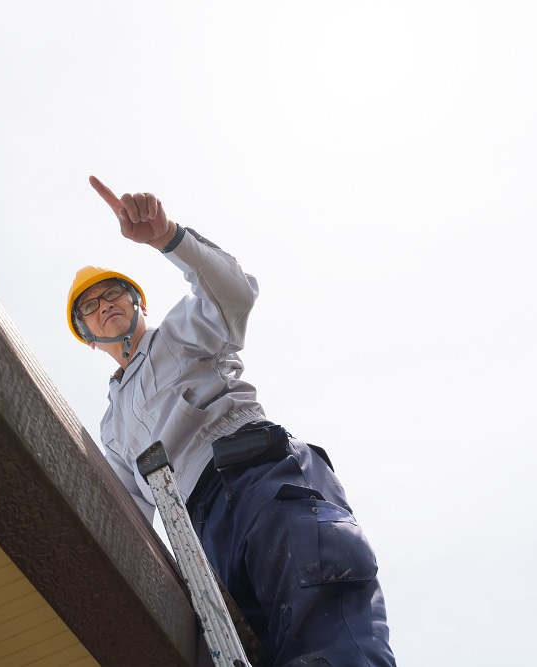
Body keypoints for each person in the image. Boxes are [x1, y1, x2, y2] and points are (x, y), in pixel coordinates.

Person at [67, 175, 395, 666]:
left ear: (137, 303)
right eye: (90, 307)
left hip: (258, 478)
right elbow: (127, 518)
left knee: (325, 618)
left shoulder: (180, 332)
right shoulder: (113, 428)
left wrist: (167, 237)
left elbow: (235, 293)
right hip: (201, 539)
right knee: (255, 652)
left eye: (114, 293)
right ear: (86, 334)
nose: (105, 304)